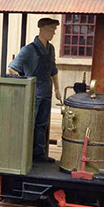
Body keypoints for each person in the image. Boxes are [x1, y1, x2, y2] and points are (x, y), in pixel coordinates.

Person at [7, 17, 62, 163]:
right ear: (42, 29)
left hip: (46, 91)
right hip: (33, 92)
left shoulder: (50, 49)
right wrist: (25, 84)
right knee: (30, 123)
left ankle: (39, 154)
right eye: (51, 29)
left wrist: (57, 88)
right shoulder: (28, 50)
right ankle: (25, 155)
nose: (53, 33)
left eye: (54, 30)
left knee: (42, 124)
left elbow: (53, 69)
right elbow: (12, 68)